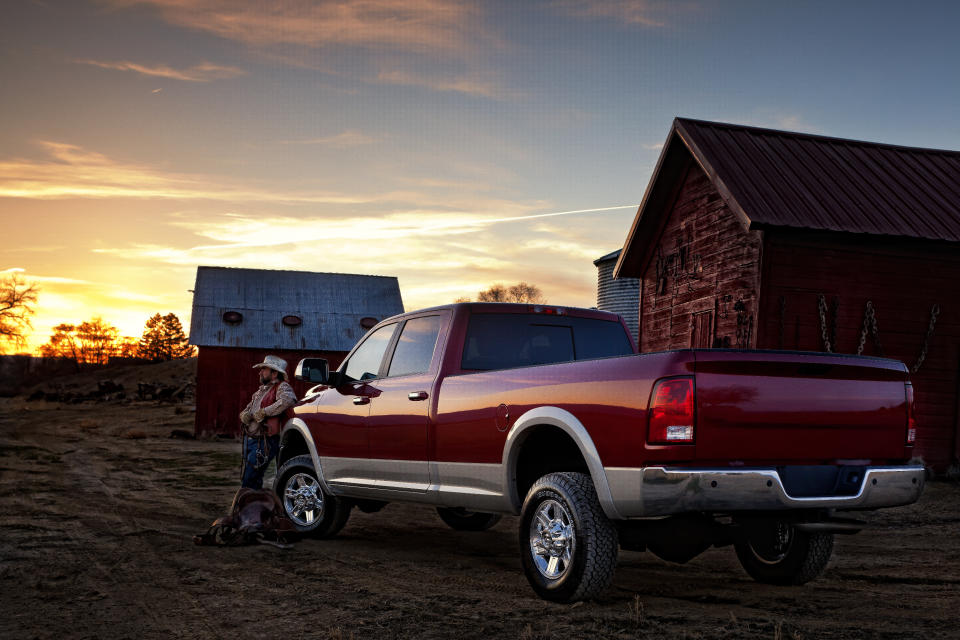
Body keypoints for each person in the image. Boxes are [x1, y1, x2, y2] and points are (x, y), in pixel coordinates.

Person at [238, 355, 298, 490]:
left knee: (250, 479)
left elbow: (287, 400)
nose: (260, 372)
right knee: (252, 479)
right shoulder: (260, 391)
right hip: (252, 439)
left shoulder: (282, 387)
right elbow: (248, 409)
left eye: (264, 369)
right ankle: (254, 507)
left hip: (264, 441)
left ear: (274, 373)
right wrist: (244, 415)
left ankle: (248, 508)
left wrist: (265, 412)